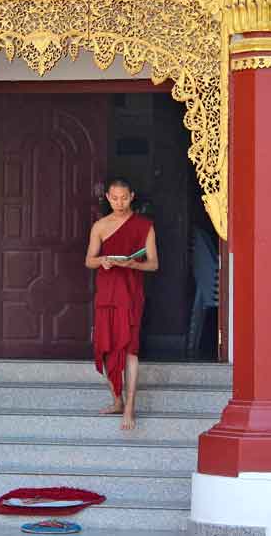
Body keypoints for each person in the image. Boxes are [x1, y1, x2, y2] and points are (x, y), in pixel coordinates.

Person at [84, 178, 159, 430]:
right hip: (106, 293)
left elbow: (153, 263)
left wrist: (132, 264)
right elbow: (89, 261)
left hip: (130, 294)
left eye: (124, 198)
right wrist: (103, 259)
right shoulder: (100, 226)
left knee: (130, 349)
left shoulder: (144, 226)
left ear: (132, 196)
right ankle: (116, 399)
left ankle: (130, 407)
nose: (119, 203)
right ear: (107, 197)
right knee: (105, 347)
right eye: (115, 198)